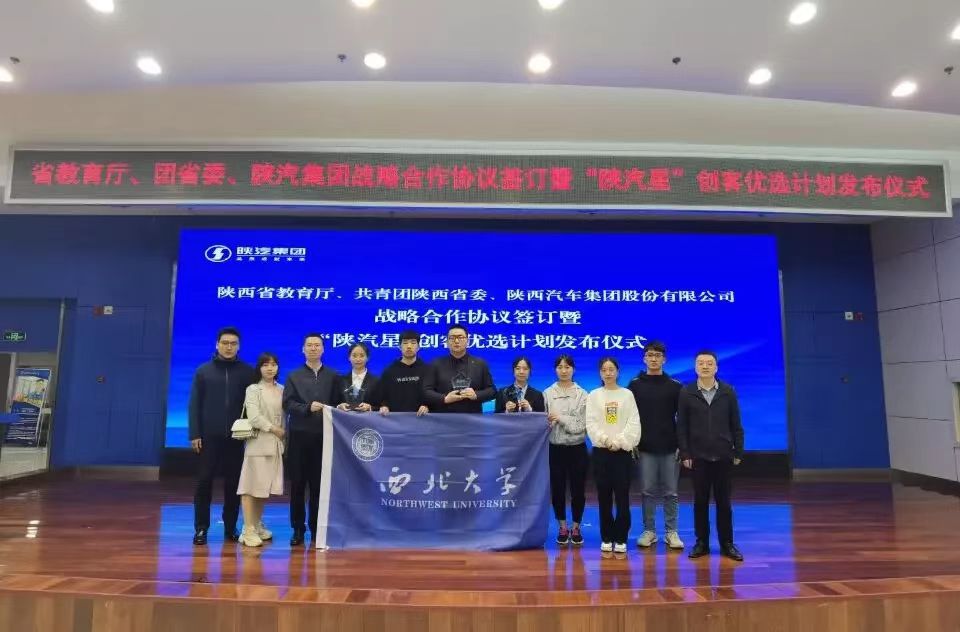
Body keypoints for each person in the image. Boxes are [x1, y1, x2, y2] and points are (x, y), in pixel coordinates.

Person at [188, 326, 256, 546]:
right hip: (208, 437)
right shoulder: (203, 371)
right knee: (204, 482)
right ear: (217, 345)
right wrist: (195, 433)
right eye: (225, 343)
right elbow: (194, 404)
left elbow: (254, 405)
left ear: (239, 346)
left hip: (237, 438)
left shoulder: (248, 372)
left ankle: (230, 527)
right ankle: (201, 528)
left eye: (233, 343)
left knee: (233, 484)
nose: (229, 347)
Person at [678, 350, 745, 562]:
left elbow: (736, 424)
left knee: (724, 502)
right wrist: (685, 453)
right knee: (700, 502)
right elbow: (682, 427)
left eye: (709, 363)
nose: (705, 366)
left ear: (716, 367)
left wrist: (738, 450)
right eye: (701, 363)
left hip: (723, 455)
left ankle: (727, 544)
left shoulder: (727, 391)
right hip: (698, 456)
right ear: (695, 367)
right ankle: (702, 543)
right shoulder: (686, 392)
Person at [282, 333, 341, 546]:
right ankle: (298, 529)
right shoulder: (294, 376)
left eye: (317, 345)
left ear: (323, 349)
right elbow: (288, 404)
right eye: (309, 345)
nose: (313, 348)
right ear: (303, 349)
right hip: (299, 438)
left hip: (323, 439)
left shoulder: (334, 376)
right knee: (298, 486)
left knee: (319, 487)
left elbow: (338, 404)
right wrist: (307, 408)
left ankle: (317, 529)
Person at [628, 341, 684, 551]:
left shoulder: (675, 386)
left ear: (664, 359)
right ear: (644, 359)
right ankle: (649, 531)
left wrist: (682, 445)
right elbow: (629, 416)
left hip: (670, 447)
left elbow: (683, 419)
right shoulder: (635, 385)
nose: (653, 359)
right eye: (650, 355)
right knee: (648, 491)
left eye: (657, 355)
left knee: (671, 492)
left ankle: (671, 532)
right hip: (644, 447)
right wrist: (632, 441)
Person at [586, 357, 641, 556]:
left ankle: (621, 537)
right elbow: (591, 423)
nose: (608, 373)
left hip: (622, 453)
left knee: (622, 497)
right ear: (600, 373)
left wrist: (619, 441)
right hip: (601, 453)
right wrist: (605, 440)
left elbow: (633, 423)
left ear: (618, 372)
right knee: (604, 497)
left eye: (611, 369)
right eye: (604, 370)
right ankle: (607, 537)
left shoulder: (627, 395)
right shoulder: (594, 395)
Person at [237, 352, 286, 547]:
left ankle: (256, 524)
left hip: (275, 444)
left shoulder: (282, 389)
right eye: (265, 364)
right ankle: (247, 530)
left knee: (262, 488)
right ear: (259, 368)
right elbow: (254, 417)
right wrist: (274, 429)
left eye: (273, 364)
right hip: (258, 443)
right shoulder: (253, 389)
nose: (270, 368)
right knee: (250, 487)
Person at [543, 354, 588, 546]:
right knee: (558, 489)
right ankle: (562, 526)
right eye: (560, 367)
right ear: (555, 370)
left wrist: (560, 418)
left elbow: (581, 425)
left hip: (577, 448)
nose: (563, 370)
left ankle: (576, 526)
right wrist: (550, 422)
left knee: (578, 490)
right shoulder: (547, 393)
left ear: (573, 369)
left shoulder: (583, 394)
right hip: (555, 448)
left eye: (567, 367)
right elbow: (543, 423)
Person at [422, 324, 496, 413]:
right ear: (447, 342)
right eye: (452, 338)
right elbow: (426, 392)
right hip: (442, 417)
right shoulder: (435, 364)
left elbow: (492, 391)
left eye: (460, 337)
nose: (456, 341)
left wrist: (476, 395)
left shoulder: (480, 364)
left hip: (472, 418)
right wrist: (444, 398)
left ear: (467, 341)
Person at [376, 330, 430, 416]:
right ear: (399, 347)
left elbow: (432, 394)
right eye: (405, 343)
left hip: (421, 419)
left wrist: (427, 406)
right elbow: (382, 396)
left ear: (419, 347)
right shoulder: (389, 371)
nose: (409, 346)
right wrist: (384, 406)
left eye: (413, 343)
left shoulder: (428, 370)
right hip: (395, 420)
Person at [336, 342, 378, 413]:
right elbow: (332, 403)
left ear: (367, 358)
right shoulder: (341, 380)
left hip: (368, 419)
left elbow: (381, 406)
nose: (358, 359)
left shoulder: (376, 381)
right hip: (345, 419)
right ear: (349, 358)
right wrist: (339, 406)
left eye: (362, 356)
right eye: (354, 356)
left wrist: (370, 407)